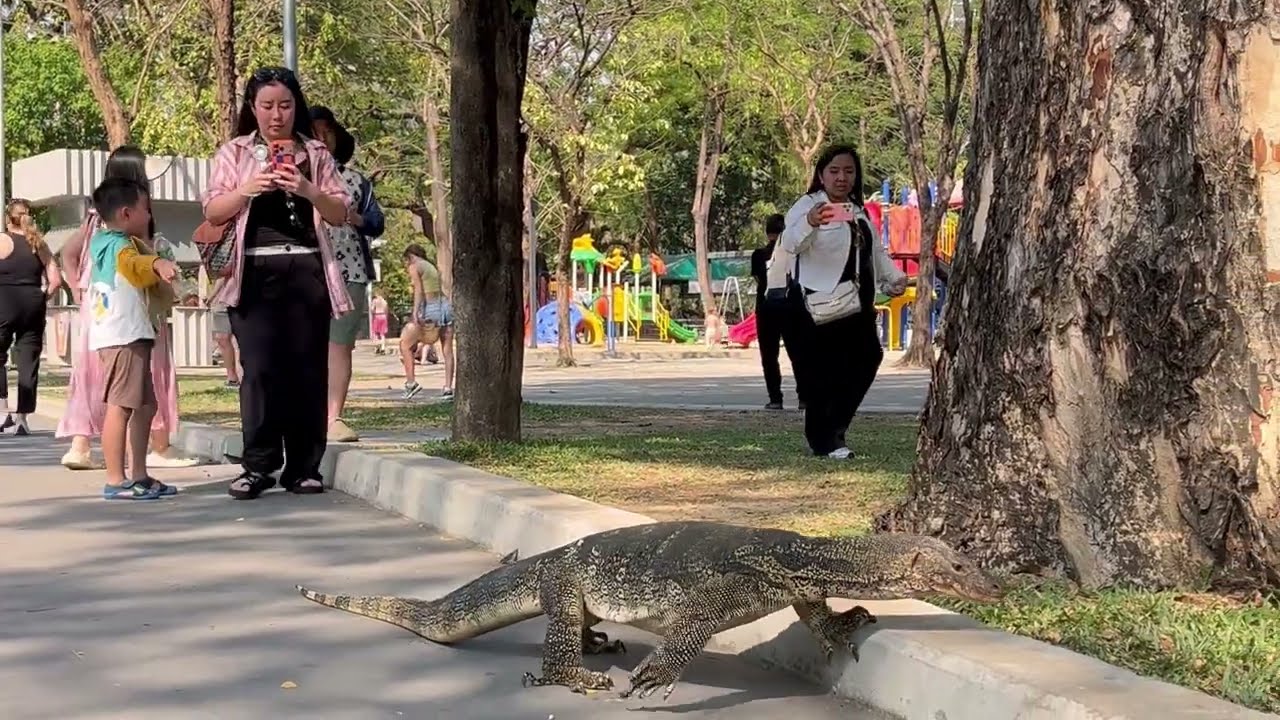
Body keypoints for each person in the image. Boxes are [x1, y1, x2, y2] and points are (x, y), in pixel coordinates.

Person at [202, 65, 354, 500]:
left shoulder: (317, 154)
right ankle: (258, 466)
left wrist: (307, 189)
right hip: (253, 274)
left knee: (307, 371)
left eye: (285, 105)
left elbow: (340, 213)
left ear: (296, 107)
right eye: (267, 106)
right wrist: (249, 187)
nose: (276, 115)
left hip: (307, 271)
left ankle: (305, 467)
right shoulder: (234, 152)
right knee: (260, 372)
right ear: (253, 108)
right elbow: (213, 210)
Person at [56, 145, 200, 469]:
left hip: (99, 310)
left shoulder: (96, 219)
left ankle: (82, 446)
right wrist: (161, 267)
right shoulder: (132, 221)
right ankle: (149, 453)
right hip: (134, 314)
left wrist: (78, 288)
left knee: (96, 377)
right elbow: (136, 262)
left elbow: (67, 254)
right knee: (142, 380)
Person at [777, 144, 907, 459]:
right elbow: (790, 243)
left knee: (867, 359)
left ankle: (834, 428)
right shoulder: (808, 205)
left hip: (855, 304)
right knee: (825, 374)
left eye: (849, 171)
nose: (842, 178)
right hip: (817, 304)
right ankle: (826, 441)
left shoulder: (856, 209)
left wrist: (893, 277)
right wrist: (810, 221)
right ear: (821, 175)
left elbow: (873, 249)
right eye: (834, 171)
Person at [86, 177, 180, 499]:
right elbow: (133, 266)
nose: (149, 215)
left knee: (144, 404)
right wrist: (157, 262)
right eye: (146, 209)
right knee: (122, 406)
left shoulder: (104, 241)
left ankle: (138, 473)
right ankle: (115, 479)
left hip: (129, 334)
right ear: (127, 213)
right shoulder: (119, 246)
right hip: (122, 337)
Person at [310, 105, 385, 443]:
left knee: (339, 345)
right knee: (302, 345)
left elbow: (377, 222)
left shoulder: (356, 181)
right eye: (314, 130)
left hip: (349, 271)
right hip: (303, 271)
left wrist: (356, 219)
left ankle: (333, 416)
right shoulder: (290, 177)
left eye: (327, 130)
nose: (322, 137)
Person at [0, 199, 62, 436]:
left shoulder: (2, 240)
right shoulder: (39, 243)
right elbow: (55, 281)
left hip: (4, 303)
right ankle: (22, 420)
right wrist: (40, 298)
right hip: (33, 304)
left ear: (8, 219)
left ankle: (2, 410)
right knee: (29, 361)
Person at [750, 213, 807, 411]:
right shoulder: (794, 255)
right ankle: (804, 398)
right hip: (792, 309)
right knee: (797, 354)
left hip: (766, 310)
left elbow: (759, 281)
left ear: (767, 233)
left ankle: (775, 398)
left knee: (769, 355)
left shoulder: (758, 255)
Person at [399, 243, 453, 399]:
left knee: (405, 343)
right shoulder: (431, 266)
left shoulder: (415, 266)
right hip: (444, 307)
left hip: (430, 308)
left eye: (406, 260)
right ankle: (448, 388)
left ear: (410, 256)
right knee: (447, 350)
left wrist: (415, 312)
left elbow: (418, 291)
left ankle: (411, 383)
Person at [210, 298, 240, 388]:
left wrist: (212, 295)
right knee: (221, 338)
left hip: (245, 299)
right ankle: (232, 379)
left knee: (241, 340)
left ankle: (243, 376)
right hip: (222, 301)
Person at [370, 290, 389, 354]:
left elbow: (372, 309)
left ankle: (377, 347)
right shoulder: (384, 301)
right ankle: (383, 348)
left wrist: (373, 312)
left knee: (376, 333)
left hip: (377, 316)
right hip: (383, 316)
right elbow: (386, 310)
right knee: (382, 334)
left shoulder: (375, 301)